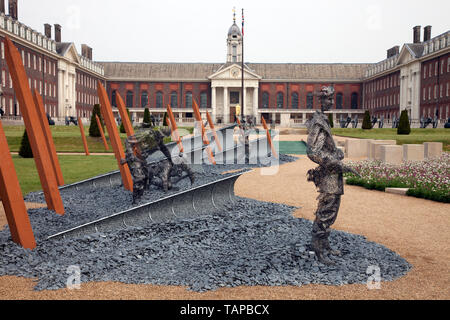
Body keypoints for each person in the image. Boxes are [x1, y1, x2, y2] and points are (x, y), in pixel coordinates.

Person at [306, 86, 360, 265]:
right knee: (326, 211)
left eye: (331, 99)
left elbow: (324, 148)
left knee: (331, 210)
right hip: (329, 175)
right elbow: (313, 152)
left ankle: (324, 244)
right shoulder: (318, 122)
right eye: (328, 99)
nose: (331, 102)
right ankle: (318, 249)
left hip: (333, 175)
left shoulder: (323, 119)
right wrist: (335, 162)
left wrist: (335, 151)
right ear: (320, 101)